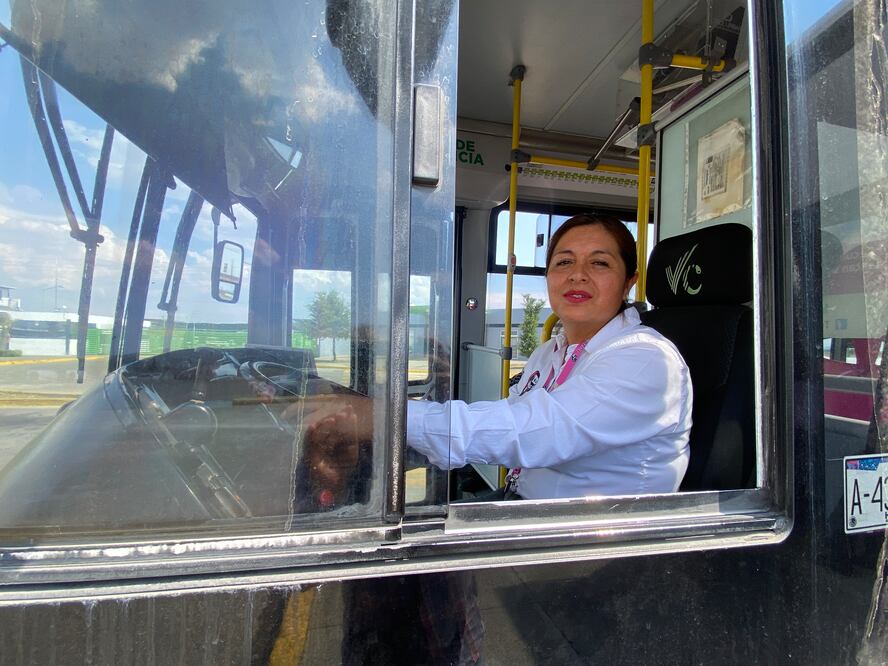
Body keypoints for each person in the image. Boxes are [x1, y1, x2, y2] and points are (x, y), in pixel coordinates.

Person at [297, 213, 692, 501]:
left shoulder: (646, 360)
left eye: (600, 263)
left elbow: (529, 431)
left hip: (603, 548)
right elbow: (505, 422)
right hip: (530, 516)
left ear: (629, 281)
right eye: (564, 262)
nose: (578, 274)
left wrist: (384, 416)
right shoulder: (548, 353)